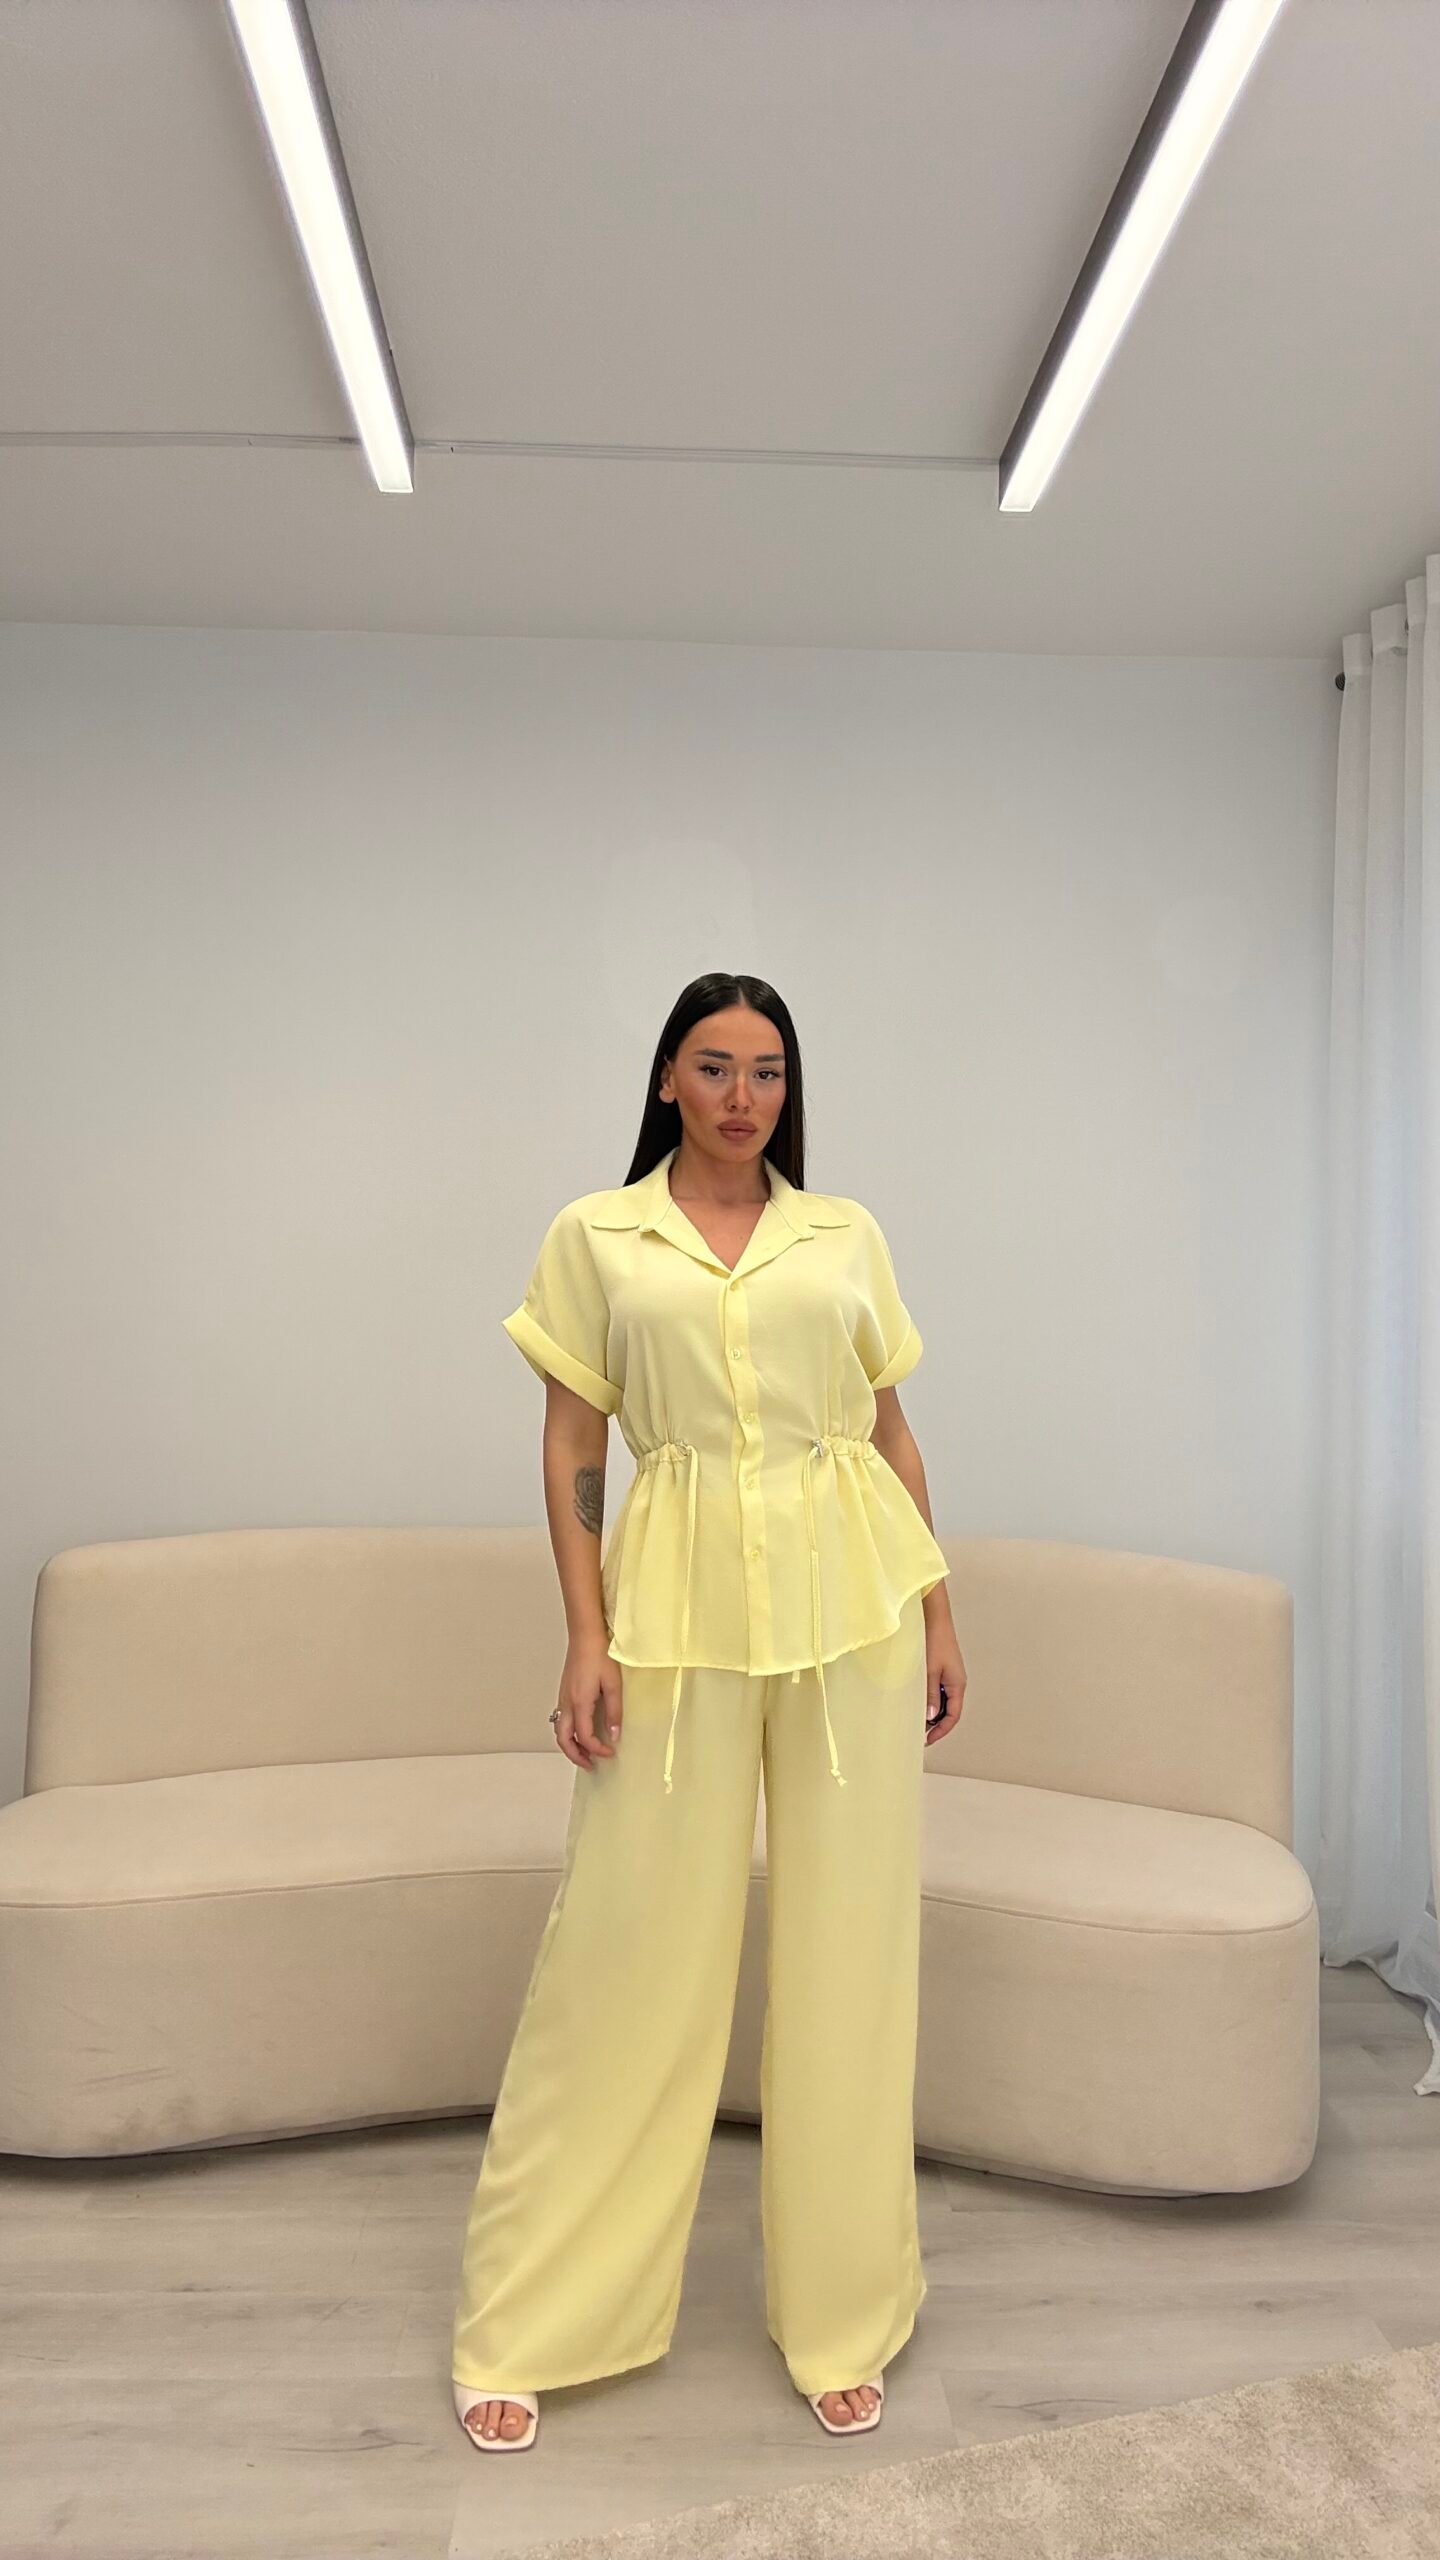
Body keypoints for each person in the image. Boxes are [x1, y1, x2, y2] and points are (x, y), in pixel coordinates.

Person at [451, 970, 967, 2453]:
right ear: (668, 1080)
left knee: (849, 1962)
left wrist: (939, 1609)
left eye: (769, 1070)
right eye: (716, 1065)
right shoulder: (598, 1237)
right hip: (672, 1617)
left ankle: (845, 2312)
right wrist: (585, 1634)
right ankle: (534, 2317)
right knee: (624, 1957)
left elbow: (890, 1432)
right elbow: (572, 1441)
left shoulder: (842, 1234)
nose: (745, 1095)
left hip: (854, 1615)